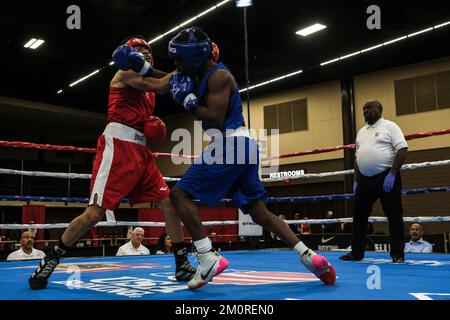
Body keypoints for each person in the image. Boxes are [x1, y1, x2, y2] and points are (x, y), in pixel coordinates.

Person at [166, 26, 336, 290]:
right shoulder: (197, 76)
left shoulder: (219, 76)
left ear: (195, 56)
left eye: (179, 58)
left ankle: (206, 255)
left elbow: (214, 117)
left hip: (231, 143)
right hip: (242, 147)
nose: (176, 64)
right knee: (259, 212)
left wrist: (187, 101)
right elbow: (161, 81)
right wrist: (140, 68)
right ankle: (308, 255)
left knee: (178, 195)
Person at [28, 36, 196, 290]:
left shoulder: (147, 88)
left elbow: (158, 86)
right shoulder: (124, 73)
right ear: (130, 54)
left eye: (148, 51)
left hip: (142, 152)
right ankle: (50, 261)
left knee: (168, 202)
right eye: (139, 50)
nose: (145, 54)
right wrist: (188, 69)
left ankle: (182, 265)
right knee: (94, 214)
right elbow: (163, 84)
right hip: (118, 147)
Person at [340, 100, 408, 263]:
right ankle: (356, 253)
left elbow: (403, 149)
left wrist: (392, 173)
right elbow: (358, 157)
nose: (365, 111)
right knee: (359, 217)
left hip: (386, 177)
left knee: (394, 215)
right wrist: (356, 181)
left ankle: (398, 254)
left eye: (369, 108)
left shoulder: (390, 126)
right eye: (363, 109)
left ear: (379, 109)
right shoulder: (361, 132)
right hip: (364, 180)